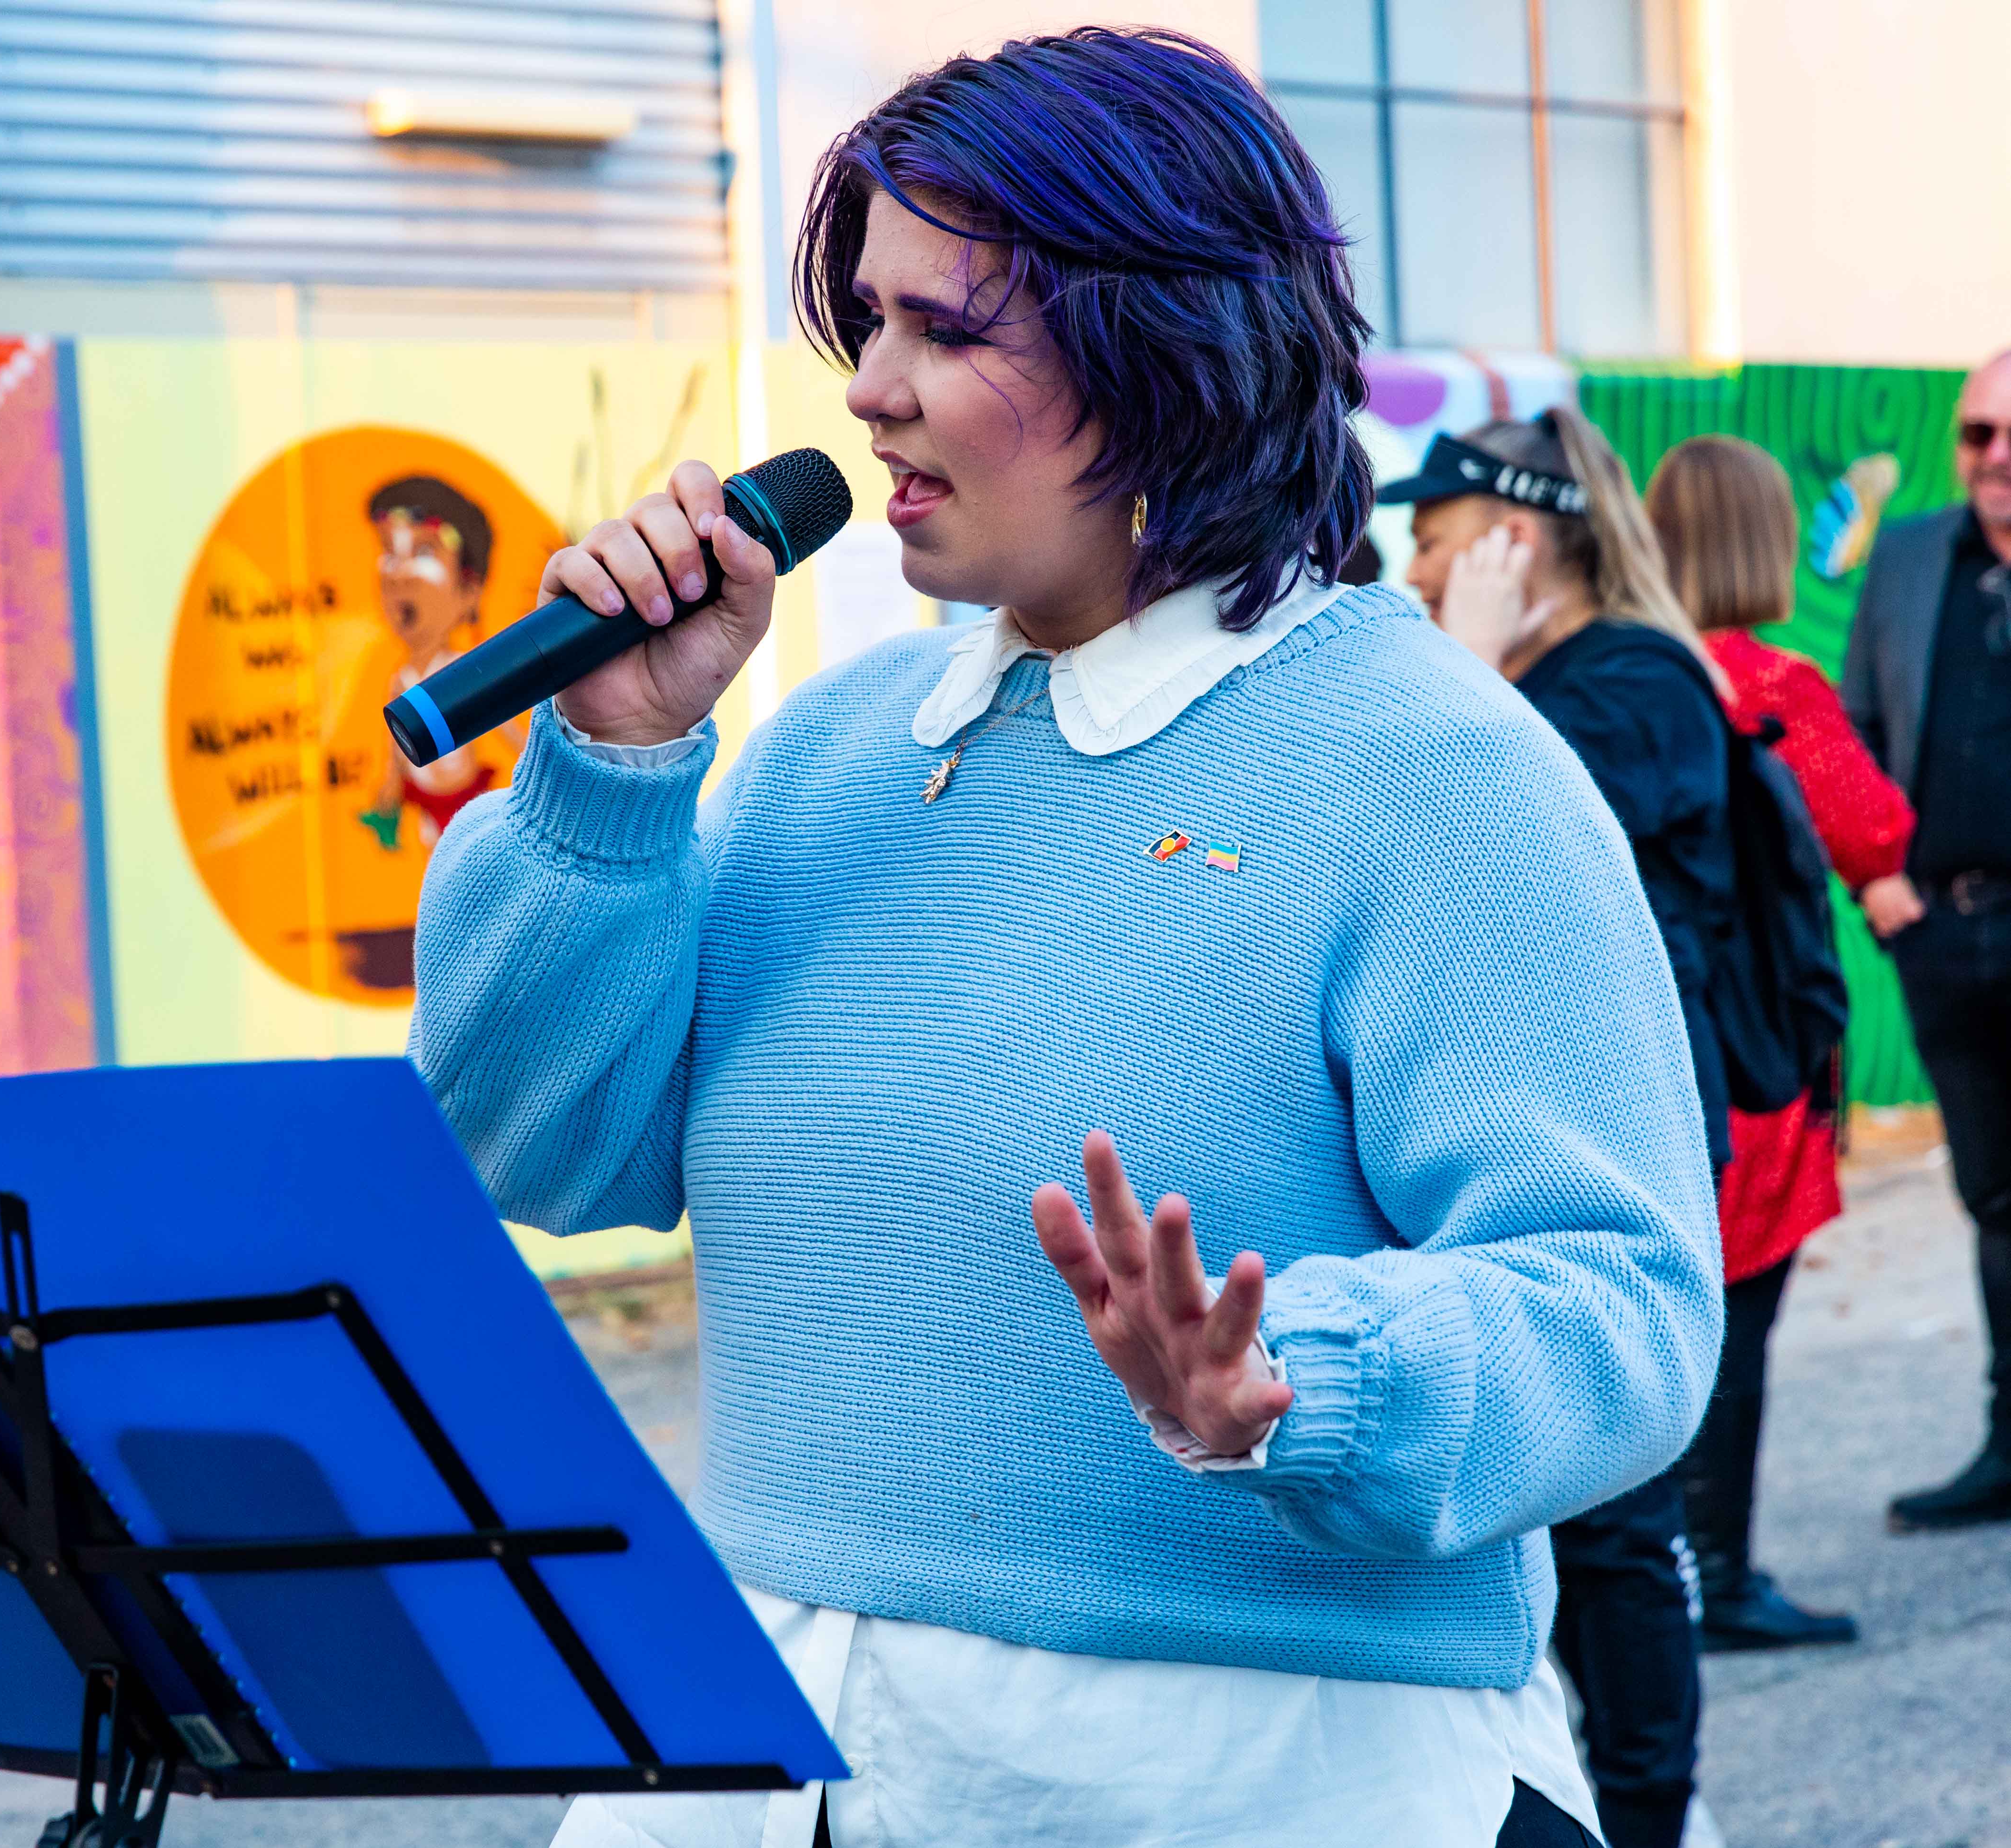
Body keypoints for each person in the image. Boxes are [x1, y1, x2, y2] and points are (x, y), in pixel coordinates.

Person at [411, 30, 1719, 1848]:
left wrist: (1302, 1382)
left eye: (944, 329)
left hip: (1246, 1772)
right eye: (861, 322)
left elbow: (1624, 1296)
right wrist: (612, 769)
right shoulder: (825, 752)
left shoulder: (1434, 772)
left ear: (1168, 352)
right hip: (764, 1748)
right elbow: (537, 1147)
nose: (867, 389)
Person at [1391, 407, 1724, 1848]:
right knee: (1542, 1520)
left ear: (1512, 539)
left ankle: (1651, 1819)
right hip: (1523, 1141)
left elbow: (1494, 822)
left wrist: (1457, 670)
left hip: (1623, 1160)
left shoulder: (1634, 683)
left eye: (1436, 538)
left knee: (1614, 1526)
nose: (1412, 568)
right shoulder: (1534, 684)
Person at [1645, 434, 1911, 1646]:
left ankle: (1644, 1568)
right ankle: (1718, 1573)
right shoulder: (1771, 688)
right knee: (1738, 1322)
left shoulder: (1615, 679)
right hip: (1757, 1054)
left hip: (1650, 1041)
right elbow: (1874, 826)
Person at [1844, 349, 2011, 1531]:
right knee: (1996, 1198)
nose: (1994, 457)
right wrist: (1874, 881)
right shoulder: (1908, 559)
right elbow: (1849, 729)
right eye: (1977, 435)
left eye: (2010, 434)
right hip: (1944, 937)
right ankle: (2010, 1442)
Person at [361, 475, 500, 851]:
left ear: (469, 592)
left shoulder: (459, 670)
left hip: (465, 797)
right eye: (390, 552)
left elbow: (503, 722)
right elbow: (397, 740)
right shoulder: (402, 680)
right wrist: (390, 785)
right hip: (425, 799)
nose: (399, 576)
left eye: (424, 554)